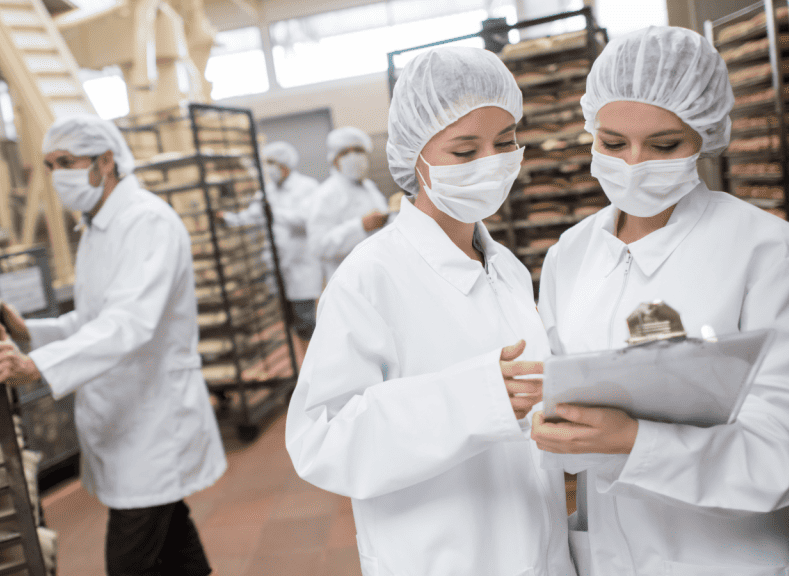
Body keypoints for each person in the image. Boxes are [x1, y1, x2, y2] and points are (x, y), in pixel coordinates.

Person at [531, 26, 789, 575]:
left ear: (706, 135)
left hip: (729, 555)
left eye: (664, 145)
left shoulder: (770, 255)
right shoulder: (573, 253)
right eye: (613, 143)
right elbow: (552, 385)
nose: (635, 163)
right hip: (612, 554)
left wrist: (638, 443)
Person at [286, 46, 575, 576]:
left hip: (540, 548)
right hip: (442, 557)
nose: (490, 163)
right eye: (465, 151)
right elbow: (322, 439)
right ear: (415, 158)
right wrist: (475, 398)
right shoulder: (369, 278)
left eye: (505, 142)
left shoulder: (505, 266)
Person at [0, 115, 226, 576]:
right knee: (173, 543)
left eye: (67, 162)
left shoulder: (146, 222)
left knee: (131, 558)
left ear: (106, 162)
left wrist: (36, 367)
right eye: (50, 165)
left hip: (154, 419)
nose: (58, 176)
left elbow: (129, 322)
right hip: (126, 418)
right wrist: (32, 333)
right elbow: (93, 318)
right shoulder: (97, 226)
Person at [218, 141, 322, 351]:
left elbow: (306, 220)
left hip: (301, 266)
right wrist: (227, 219)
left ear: (285, 165)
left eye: (272, 163)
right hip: (278, 268)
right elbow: (253, 215)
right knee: (292, 324)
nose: (269, 168)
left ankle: (317, 365)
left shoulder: (307, 187)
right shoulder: (269, 191)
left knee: (307, 322)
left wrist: (275, 214)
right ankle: (303, 368)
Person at [307, 126, 389, 284]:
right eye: (345, 153)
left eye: (358, 150)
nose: (353, 157)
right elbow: (318, 247)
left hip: (378, 274)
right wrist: (360, 227)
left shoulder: (369, 187)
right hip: (349, 281)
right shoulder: (326, 194)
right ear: (335, 160)